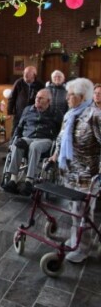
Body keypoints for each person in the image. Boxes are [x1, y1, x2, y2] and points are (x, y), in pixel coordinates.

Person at [48, 78, 101, 263]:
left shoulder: (95, 116)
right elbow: (60, 138)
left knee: (84, 213)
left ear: (83, 97)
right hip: (70, 172)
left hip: (88, 176)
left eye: (71, 95)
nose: (67, 98)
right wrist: (55, 155)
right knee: (74, 210)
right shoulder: (70, 114)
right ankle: (76, 239)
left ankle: (83, 248)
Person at [3, 88, 63, 196]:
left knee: (34, 146)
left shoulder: (56, 113)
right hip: (28, 137)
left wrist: (56, 148)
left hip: (45, 140)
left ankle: (29, 181)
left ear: (48, 101)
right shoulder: (28, 110)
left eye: (41, 98)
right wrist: (12, 142)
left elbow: (60, 132)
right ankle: (13, 179)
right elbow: (19, 127)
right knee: (18, 144)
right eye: (37, 97)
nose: (37, 100)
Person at [7, 65, 44, 137]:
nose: (25, 75)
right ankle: (13, 143)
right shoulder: (19, 82)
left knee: (29, 131)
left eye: (28, 73)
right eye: (24, 73)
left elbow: (43, 98)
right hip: (19, 113)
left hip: (33, 113)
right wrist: (10, 111)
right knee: (15, 131)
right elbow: (12, 97)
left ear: (34, 75)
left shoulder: (40, 84)